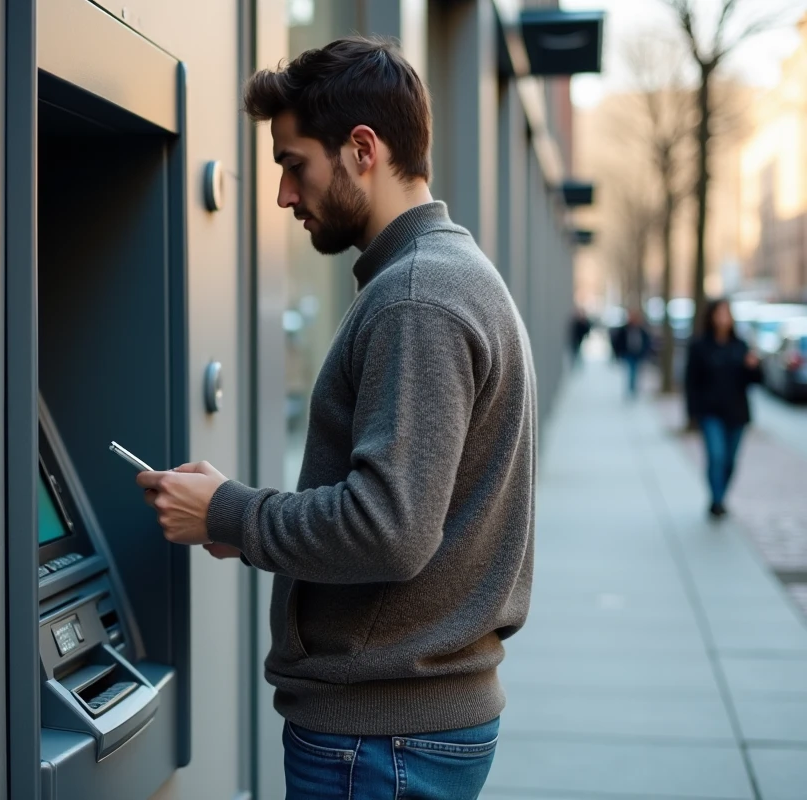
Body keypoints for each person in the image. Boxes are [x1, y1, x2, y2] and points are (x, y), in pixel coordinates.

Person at [136, 37, 536, 800]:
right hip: (405, 729)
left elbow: (391, 528)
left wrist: (233, 511)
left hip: (379, 739)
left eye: (294, 163)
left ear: (361, 149)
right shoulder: (445, 276)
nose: (284, 195)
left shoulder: (417, 298)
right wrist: (242, 522)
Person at [685, 298, 762, 518]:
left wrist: (754, 367)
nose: (723, 318)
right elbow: (691, 382)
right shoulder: (700, 346)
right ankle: (716, 500)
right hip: (710, 413)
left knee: (729, 461)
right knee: (716, 456)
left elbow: (754, 381)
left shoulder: (740, 345)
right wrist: (692, 413)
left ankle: (721, 496)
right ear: (710, 316)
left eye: (726, 313)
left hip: (736, 413)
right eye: (719, 313)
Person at [610, 310, 652, 398]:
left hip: (638, 354)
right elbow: (617, 341)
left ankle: (633, 388)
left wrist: (645, 352)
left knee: (635, 371)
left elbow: (647, 341)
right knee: (631, 371)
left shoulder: (641, 329)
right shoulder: (624, 329)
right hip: (628, 353)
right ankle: (631, 389)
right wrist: (618, 353)